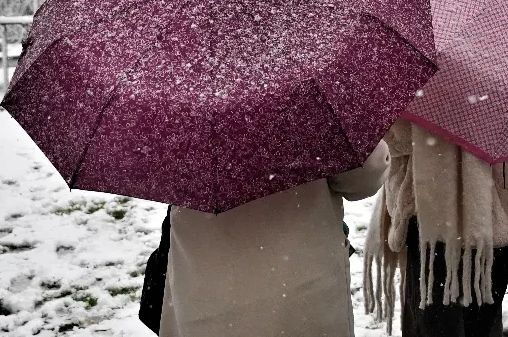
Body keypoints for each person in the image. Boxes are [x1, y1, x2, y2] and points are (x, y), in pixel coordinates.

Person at [158, 142, 390, 337]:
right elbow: (366, 171)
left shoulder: (174, 107)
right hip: (299, 281)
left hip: (204, 283)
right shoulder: (305, 100)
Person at [363, 119, 508, 337]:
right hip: (491, 212)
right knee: (481, 311)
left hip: (435, 217)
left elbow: (394, 140)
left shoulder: (418, 91)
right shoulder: (502, 90)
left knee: (438, 316)